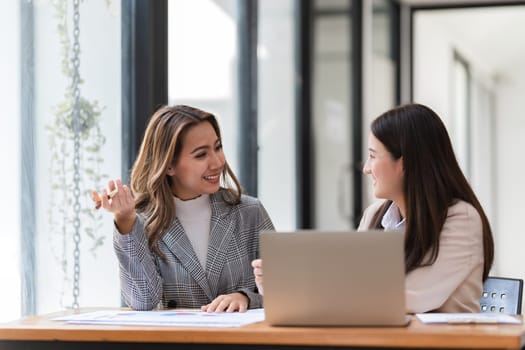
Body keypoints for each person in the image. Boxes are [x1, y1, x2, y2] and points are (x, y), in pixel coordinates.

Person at [253, 103, 494, 313]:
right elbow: (353, 287)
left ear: (405, 163)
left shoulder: (461, 218)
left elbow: (408, 298)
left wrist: (309, 286)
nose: (366, 168)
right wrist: (284, 286)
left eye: (373, 156)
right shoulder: (374, 216)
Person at [93, 105, 274, 312]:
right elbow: (143, 301)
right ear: (169, 165)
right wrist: (125, 221)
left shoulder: (248, 212)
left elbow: (284, 291)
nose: (217, 162)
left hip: (242, 342)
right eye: (201, 155)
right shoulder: (142, 221)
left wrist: (246, 298)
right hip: (176, 342)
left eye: (218, 147)